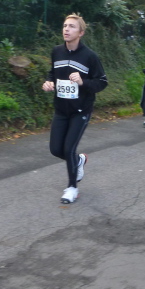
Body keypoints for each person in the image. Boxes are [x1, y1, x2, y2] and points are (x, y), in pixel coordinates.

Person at [42, 14, 108, 204]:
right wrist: (48, 83)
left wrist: (82, 82)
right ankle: (79, 161)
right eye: (65, 25)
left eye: (71, 26)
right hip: (61, 109)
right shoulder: (56, 51)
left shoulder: (90, 56)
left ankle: (72, 188)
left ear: (81, 32)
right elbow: (52, 74)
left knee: (69, 148)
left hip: (81, 110)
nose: (66, 29)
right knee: (56, 149)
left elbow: (102, 82)